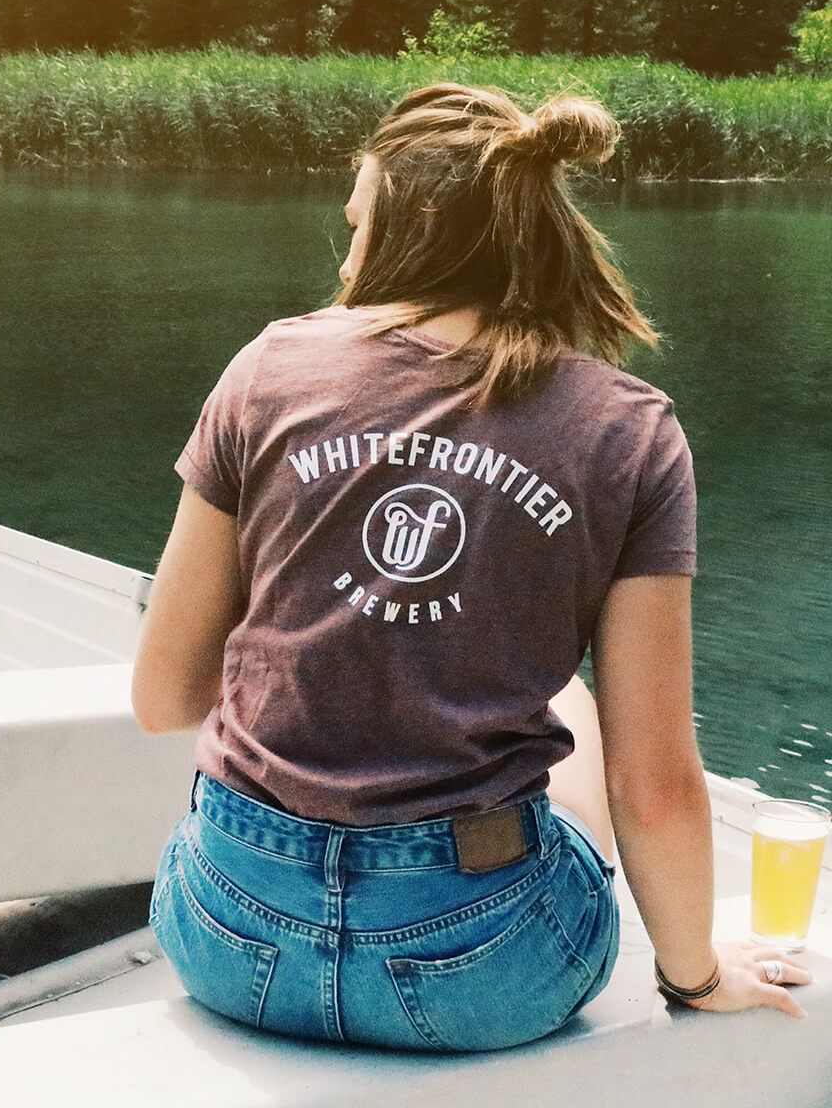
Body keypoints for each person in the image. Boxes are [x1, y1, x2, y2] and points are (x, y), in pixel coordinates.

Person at [132, 83, 811, 1052]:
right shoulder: (627, 431)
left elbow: (164, 696)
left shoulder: (269, 369)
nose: (348, 251)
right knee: (571, 704)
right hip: (484, 971)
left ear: (409, 223)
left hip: (230, 937)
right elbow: (654, 785)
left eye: (356, 223)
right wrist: (696, 976)